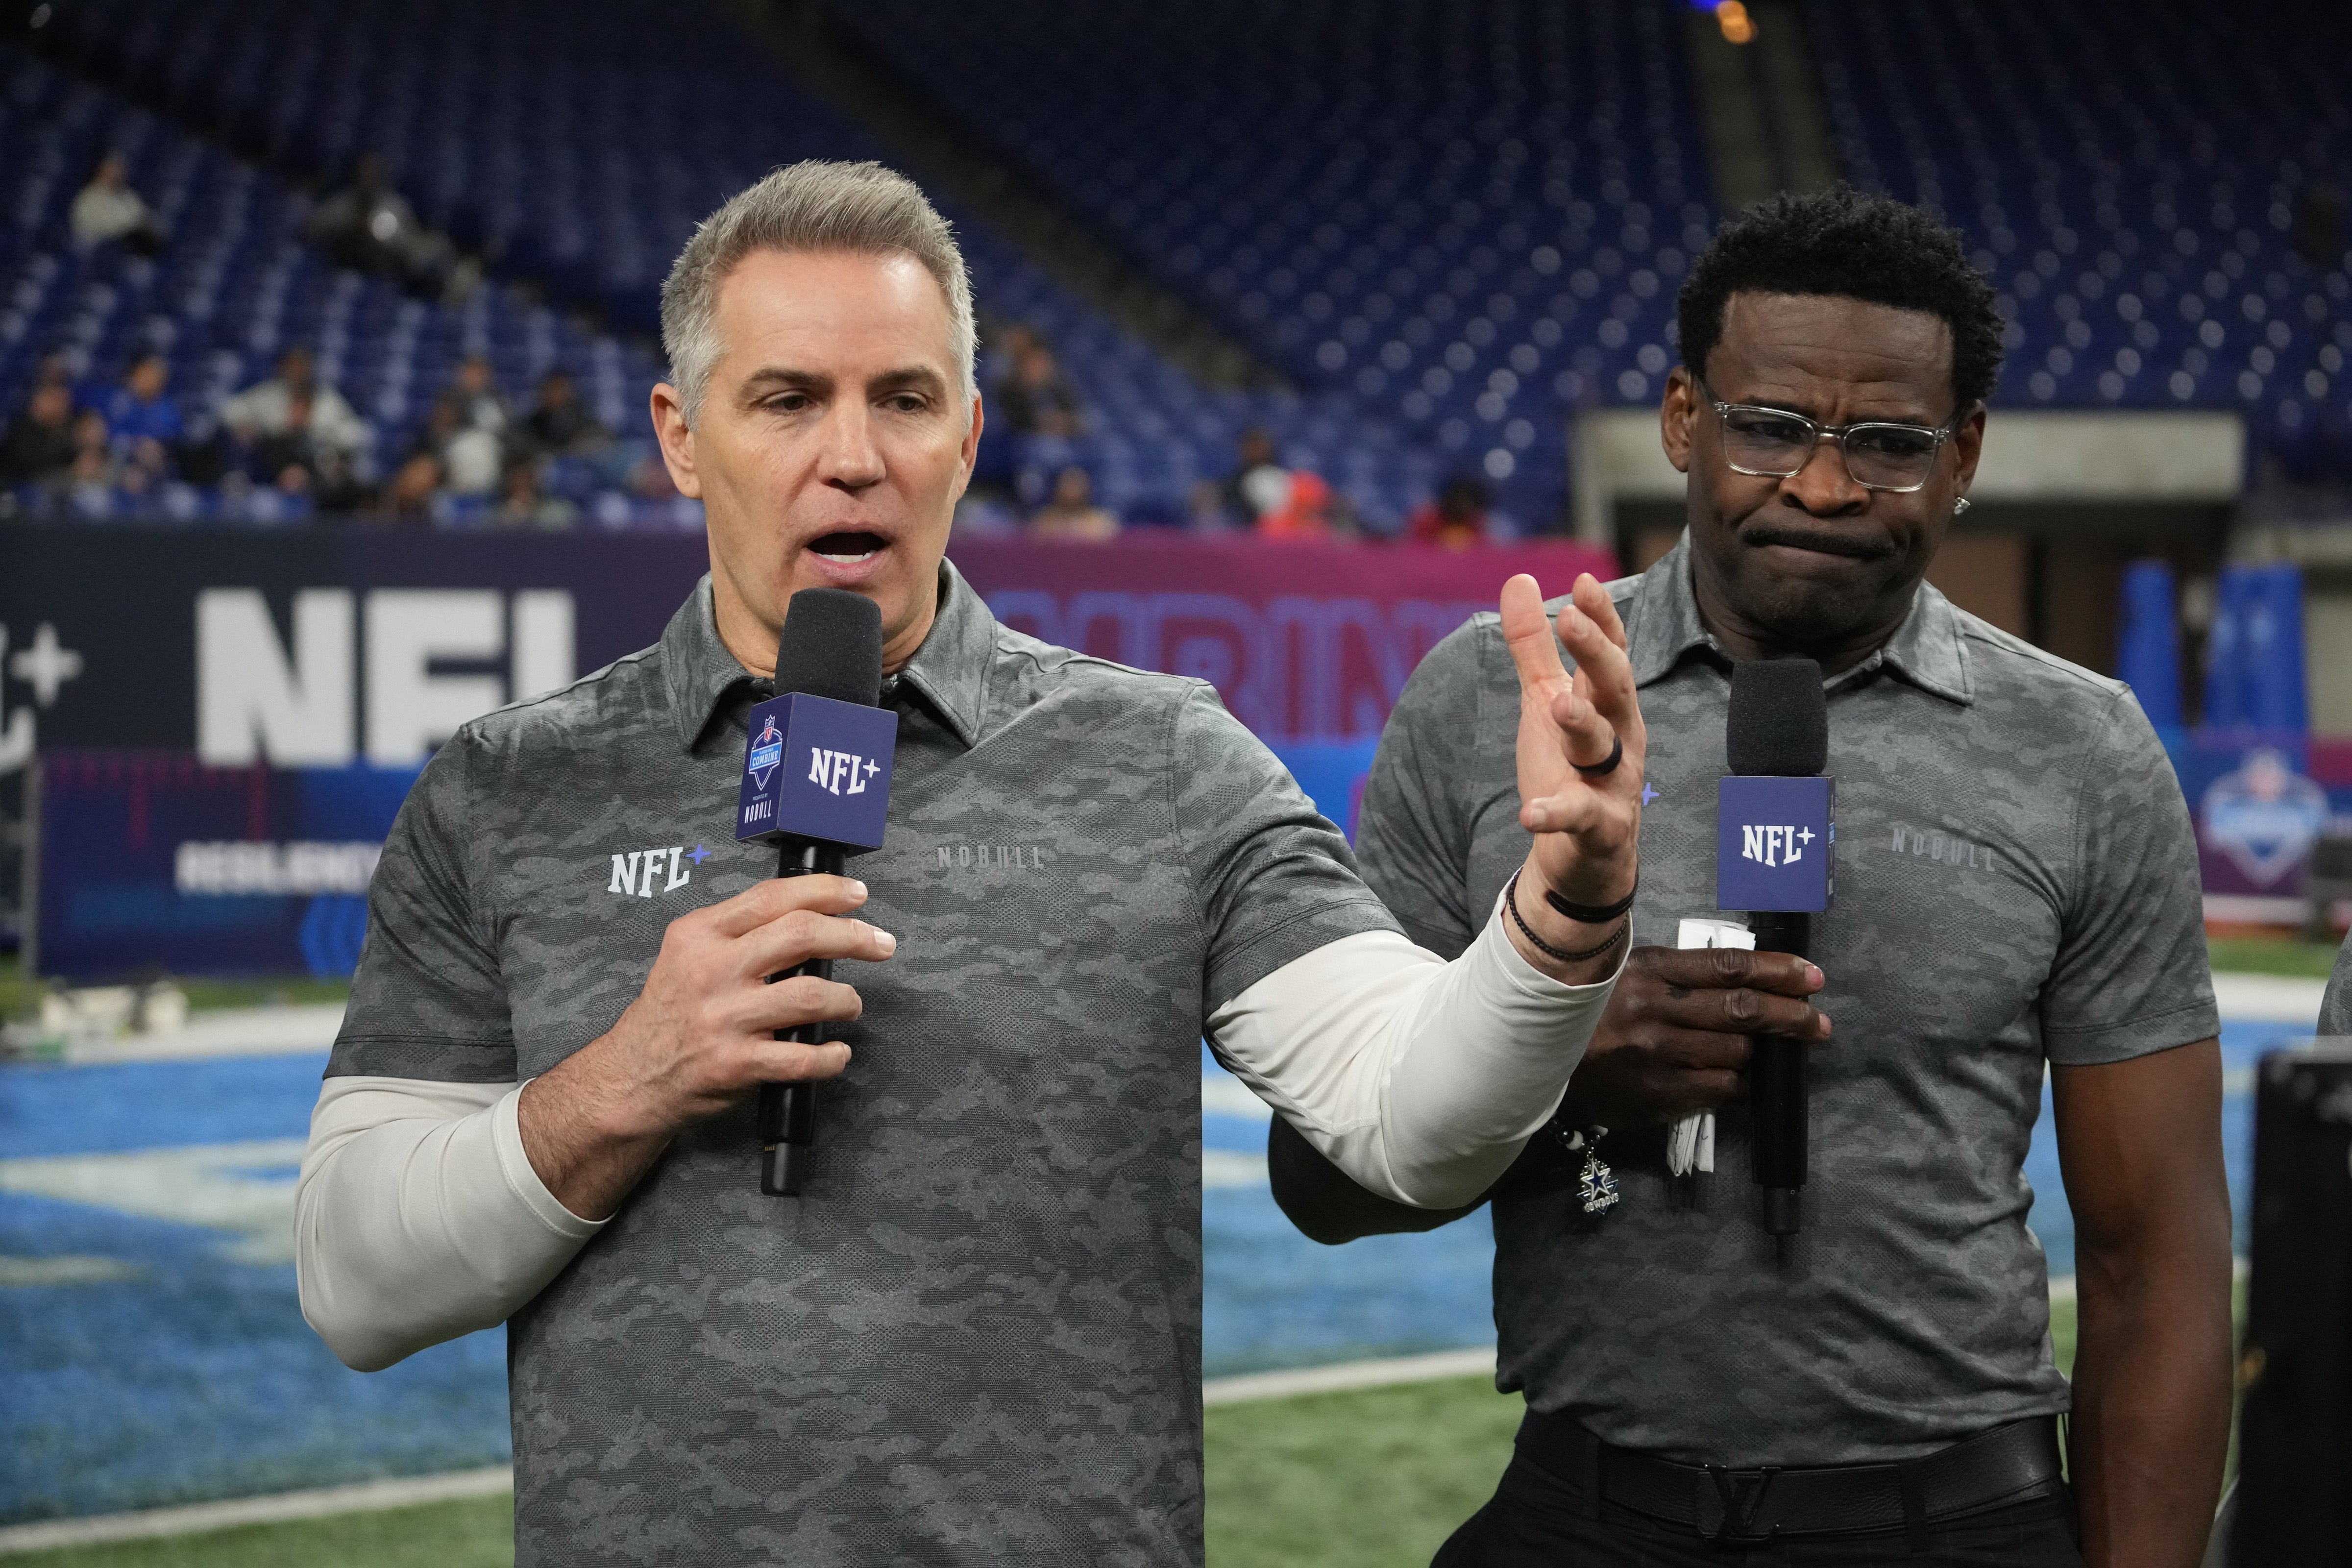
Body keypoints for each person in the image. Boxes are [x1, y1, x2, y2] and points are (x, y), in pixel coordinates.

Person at [293, 159, 1649, 1567]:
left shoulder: (1164, 761)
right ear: (682, 436)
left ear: (966, 434)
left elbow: (1409, 1119)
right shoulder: (508, 788)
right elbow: (352, 1282)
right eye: (786, 400)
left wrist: (1564, 909)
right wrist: (629, 1079)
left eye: (903, 398)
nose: (853, 455)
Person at [1270, 187, 2232, 1568]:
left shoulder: (2082, 748)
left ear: (1963, 454)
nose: (1824, 488)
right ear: (1683, 420)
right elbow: (1323, 1184)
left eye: (1888, 445)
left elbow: (2157, 1264)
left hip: (1957, 1520)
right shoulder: (1496, 701)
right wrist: (1541, 1054)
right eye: (1770, 427)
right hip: (1586, 1511)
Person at [219, 346, 370, 460]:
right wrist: (245, 425)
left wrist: (331, 443)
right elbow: (231, 409)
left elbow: (355, 434)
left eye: (302, 366)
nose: (297, 371)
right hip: (269, 456)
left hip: (314, 457)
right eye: (292, 366)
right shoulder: (269, 394)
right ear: (283, 368)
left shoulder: (327, 400)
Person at [69, 152, 167, 255]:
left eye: (119, 169)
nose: (118, 173)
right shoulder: (89, 199)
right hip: (104, 251)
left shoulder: (127, 194)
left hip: (133, 245)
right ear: (101, 171)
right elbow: (98, 230)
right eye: (112, 170)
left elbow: (144, 217)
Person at [991, 339, 1082, 436]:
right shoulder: (1009, 391)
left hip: (1061, 438)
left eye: (1042, 363)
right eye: (1034, 364)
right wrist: (1042, 423)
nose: (1040, 368)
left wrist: (1063, 421)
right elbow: (1013, 424)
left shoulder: (1059, 388)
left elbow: (1078, 418)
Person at [0, 382, 79, 485]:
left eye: (62, 402)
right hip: (20, 484)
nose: (57, 408)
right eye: (51, 401)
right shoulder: (19, 430)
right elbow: (28, 465)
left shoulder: (69, 430)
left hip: (59, 485)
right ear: (36, 403)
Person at [519, 368, 606, 455]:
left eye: (559, 389)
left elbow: (599, 442)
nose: (554, 394)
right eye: (550, 389)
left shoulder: (583, 418)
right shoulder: (535, 422)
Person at [1027, 463, 1118, 539]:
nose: (1072, 490)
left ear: (1087, 490)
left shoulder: (1101, 522)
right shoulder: (1043, 522)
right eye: (1068, 484)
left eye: (1077, 485)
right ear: (1057, 489)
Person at [1222, 425, 1291, 523]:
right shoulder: (1234, 484)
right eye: (1252, 446)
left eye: (1260, 446)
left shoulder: (1282, 477)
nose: (1256, 451)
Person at [1409, 475, 1493, 549]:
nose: (1460, 507)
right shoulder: (1427, 522)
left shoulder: (1486, 531)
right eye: (1458, 503)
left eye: (1465, 503)